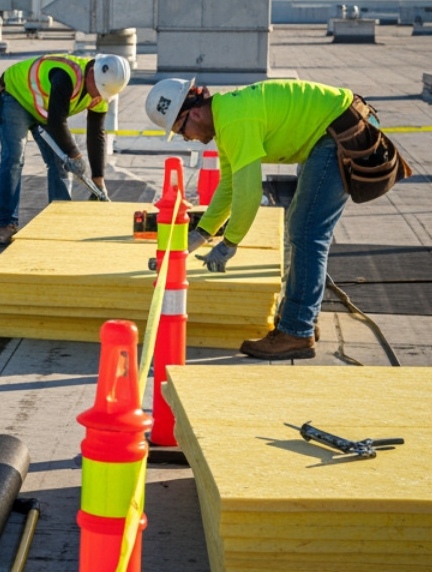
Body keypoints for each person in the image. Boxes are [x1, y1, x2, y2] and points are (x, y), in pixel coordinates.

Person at [146, 77, 410, 360]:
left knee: (307, 232)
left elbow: (249, 194)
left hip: (339, 131)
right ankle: (300, 319)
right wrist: (201, 235)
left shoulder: (234, 121)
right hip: (333, 127)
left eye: (181, 131)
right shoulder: (226, 117)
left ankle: (297, 332)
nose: (187, 139)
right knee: (304, 229)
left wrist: (230, 243)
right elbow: (230, 186)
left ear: (194, 113)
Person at [0, 52, 132, 245]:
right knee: (14, 159)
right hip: (17, 96)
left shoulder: (101, 91)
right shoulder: (67, 75)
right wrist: (76, 156)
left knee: (61, 163)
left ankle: (58, 222)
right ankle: (7, 224)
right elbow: (57, 122)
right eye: (99, 90)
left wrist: (98, 178)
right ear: (92, 72)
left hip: (46, 108)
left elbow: (96, 133)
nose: (98, 96)